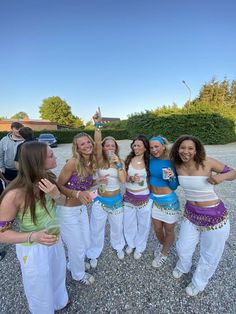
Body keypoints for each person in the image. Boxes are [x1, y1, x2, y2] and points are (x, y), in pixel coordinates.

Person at [0, 141, 69, 313]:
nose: (55, 157)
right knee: (38, 287)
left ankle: (59, 301)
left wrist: (56, 195)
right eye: (50, 155)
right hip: (33, 248)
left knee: (57, 275)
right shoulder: (14, 194)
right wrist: (34, 236)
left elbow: (63, 202)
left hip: (54, 239)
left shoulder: (49, 177)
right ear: (37, 161)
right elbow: (2, 234)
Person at [169, 135, 236, 296]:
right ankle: (183, 266)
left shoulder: (208, 162)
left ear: (196, 150)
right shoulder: (177, 165)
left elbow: (233, 172)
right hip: (191, 215)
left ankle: (198, 283)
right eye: (182, 148)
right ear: (177, 149)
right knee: (183, 247)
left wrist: (221, 176)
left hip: (215, 217)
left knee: (209, 254)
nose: (186, 151)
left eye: (190, 148)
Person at [86, 110, 126, 268]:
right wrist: (97, 125)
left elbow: (123, 181)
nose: (110, 147)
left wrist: (119, 165)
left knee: (117, 227)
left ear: (116, 148)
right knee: (96, 228)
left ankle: (118, 246)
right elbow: (96, 142)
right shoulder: (99, 160)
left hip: (116, 201)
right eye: (107, 145)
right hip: (100, 200)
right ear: (103, 148)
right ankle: (94, 252)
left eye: (112, 146)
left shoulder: (119, 161)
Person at [56, 132, 96, 285]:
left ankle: (73, 264)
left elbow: (85, 183)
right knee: (77, 246)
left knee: (85, 243)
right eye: (82, 144)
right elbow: (59, 186)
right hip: (67, 211)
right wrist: (77, 193)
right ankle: (78, 275)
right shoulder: (72, 163)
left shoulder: (90, 162)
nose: (87, 146)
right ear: (77, 148)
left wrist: (98, 180)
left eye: (88, 142)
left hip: (81, 209)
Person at [149, 136, 180, 268]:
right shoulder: (149, 160)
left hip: (168, 200)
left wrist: (172, 178)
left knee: (169, 229)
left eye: (156, 147)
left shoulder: (171, 162)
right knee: (157, 228)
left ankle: (164, 254)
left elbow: (174, 186)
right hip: (153, 199)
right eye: (151, 147)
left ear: (163, 146)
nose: (154, 150)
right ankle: (163, 244)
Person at [123, 135, 152, 259]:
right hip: (129, 197)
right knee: (128, 223)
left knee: (144, 224)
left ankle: (140, 247)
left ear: (145, 148)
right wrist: (130, 178)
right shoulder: (128, 160)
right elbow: (122, 177)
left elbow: (151, 179)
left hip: (144, 198)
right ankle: (131, 243)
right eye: (134, 145)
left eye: (139, 145)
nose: (136, 147)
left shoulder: (149, 161)